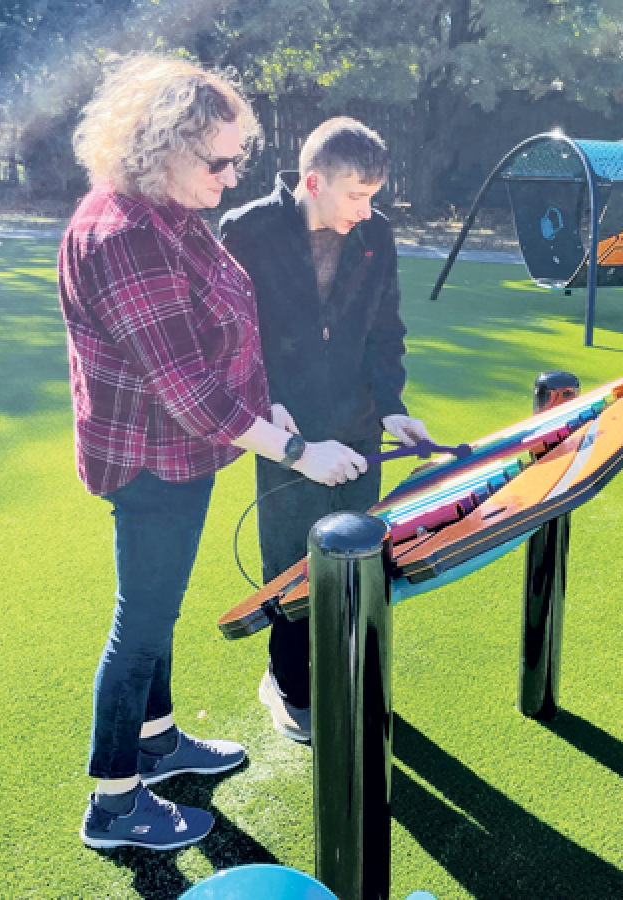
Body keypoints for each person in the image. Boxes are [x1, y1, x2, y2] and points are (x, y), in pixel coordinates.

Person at [59, 57, 366, 851]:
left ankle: (156, 743)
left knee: (153, 612)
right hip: (152, 459)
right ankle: (115, 803)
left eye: (238, 159)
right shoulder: (124, 235)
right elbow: (190, 394)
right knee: (143, 620)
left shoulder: (168, 210)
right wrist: (301, 452)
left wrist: (270, 403)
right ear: (159, 147)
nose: (233, 177)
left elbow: (219, 327)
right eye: (218, 161)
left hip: (181, 455)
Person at [220, 118, 430, 744]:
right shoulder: (247, 230)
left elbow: (384, 330)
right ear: (314, 182)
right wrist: (270, 409)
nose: (367, 211)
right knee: (290, 562)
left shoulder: (377, 234)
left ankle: (345, 673)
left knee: (359, 557)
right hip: (286, 430)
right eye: (355, 197)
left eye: (374, 197)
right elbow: (233, 341)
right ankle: (288, 684)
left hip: (362, 426)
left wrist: (392, 406)